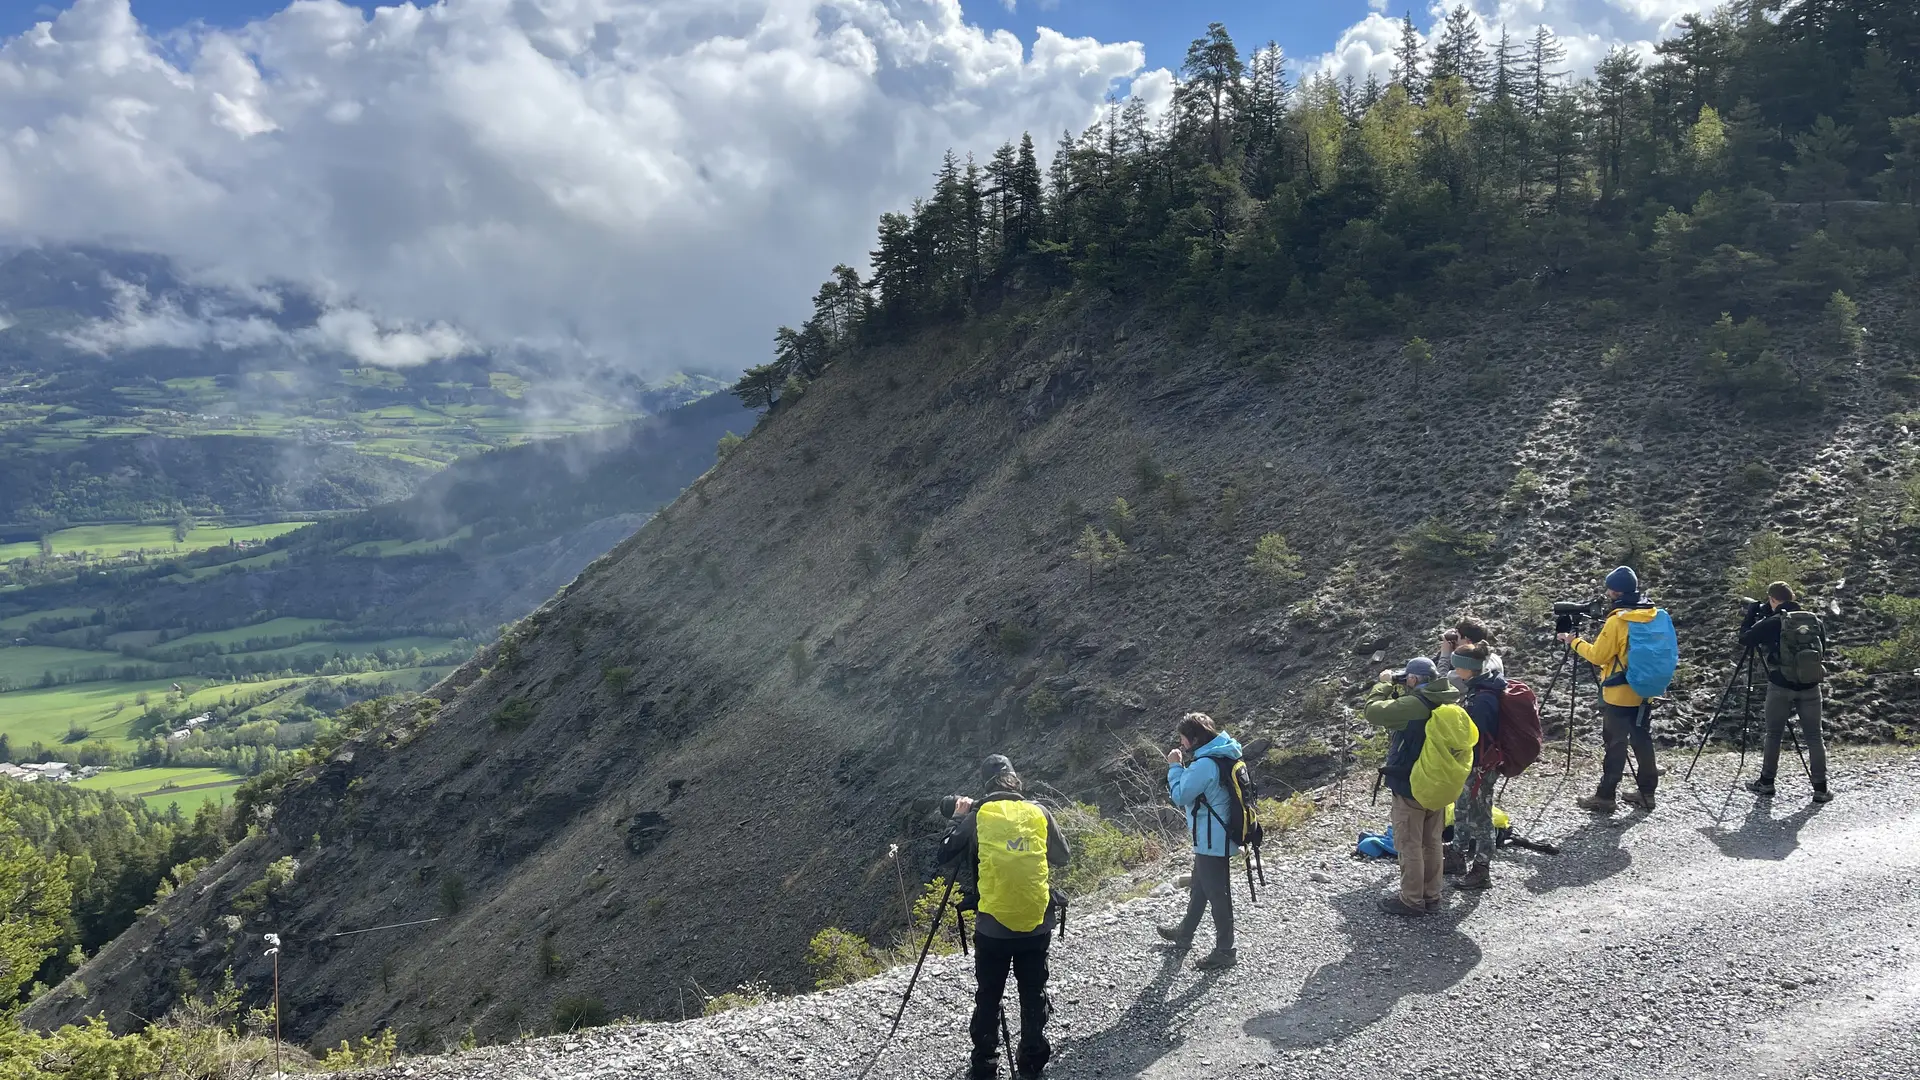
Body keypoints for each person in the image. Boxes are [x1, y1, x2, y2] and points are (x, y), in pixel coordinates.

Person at [940, 755, 1070, 1080]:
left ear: (985, 785)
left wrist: (960, 818)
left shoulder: (979, 816)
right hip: (1037, 922)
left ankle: (984, 1067)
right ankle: (1031, 1066)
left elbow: (944, 853)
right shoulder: (1039, 811)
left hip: (993, 927)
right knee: (1032, 992)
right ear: (1016, 781)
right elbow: (1062, 857)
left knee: (988, 996)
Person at [1364, 657, 1474, 916]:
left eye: (1407, 679)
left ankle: (1411, 900)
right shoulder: (1447, 698)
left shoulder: (1415, 704)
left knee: (1409, 843)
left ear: (1413, 680)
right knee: (1431, 841)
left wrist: (1383, 685)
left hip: (1411, 783)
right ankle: (1432, 895)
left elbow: (1373, 712)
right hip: (1437, 782)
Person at [1559, 566, 1664, 814]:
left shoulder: (1618, 620)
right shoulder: (1652, 613)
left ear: (1616, 592)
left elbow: (1598, 656)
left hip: (1619, 693)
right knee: (1642, 739)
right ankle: (1647, 793)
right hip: (1646, 688)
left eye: (1609, 588)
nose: (1606, 593)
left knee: (1616, 744)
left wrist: (1572, 641)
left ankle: (1605, 797)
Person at [1157, 712, 1242, 970]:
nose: (1181, 744)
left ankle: (1225, 951)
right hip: (1217, 833)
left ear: (1193, 739)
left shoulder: (1205, 764)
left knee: (1218, 893)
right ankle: (1185, 933)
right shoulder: (1225, 752)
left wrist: (1174, 767)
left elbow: (1181, 795)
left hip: (1211, 837)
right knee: (1200, 886)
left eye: (1183, 739)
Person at [1739, 582, 1833, 803]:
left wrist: (1751, 616)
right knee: (1814, 736)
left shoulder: (1774, 621)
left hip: (1781, 686)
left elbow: (1745, 638)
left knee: (1774, 734)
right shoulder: (1814, 620)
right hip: (1811, 686)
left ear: (1773, 599)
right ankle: (1820, 788)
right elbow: (1823, 650)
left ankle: (1766, 783)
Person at [1449, 642, 1505, 890]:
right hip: (1474, 763)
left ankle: (1482, 870)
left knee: (1481, 816)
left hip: (1482, 765)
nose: (1453, 670)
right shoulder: (1480, 687)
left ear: (1467, 669)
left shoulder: (1483, 698)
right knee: (1461, 807)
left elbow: (1476, 734)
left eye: (1456, 665)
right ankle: (1457, 856)